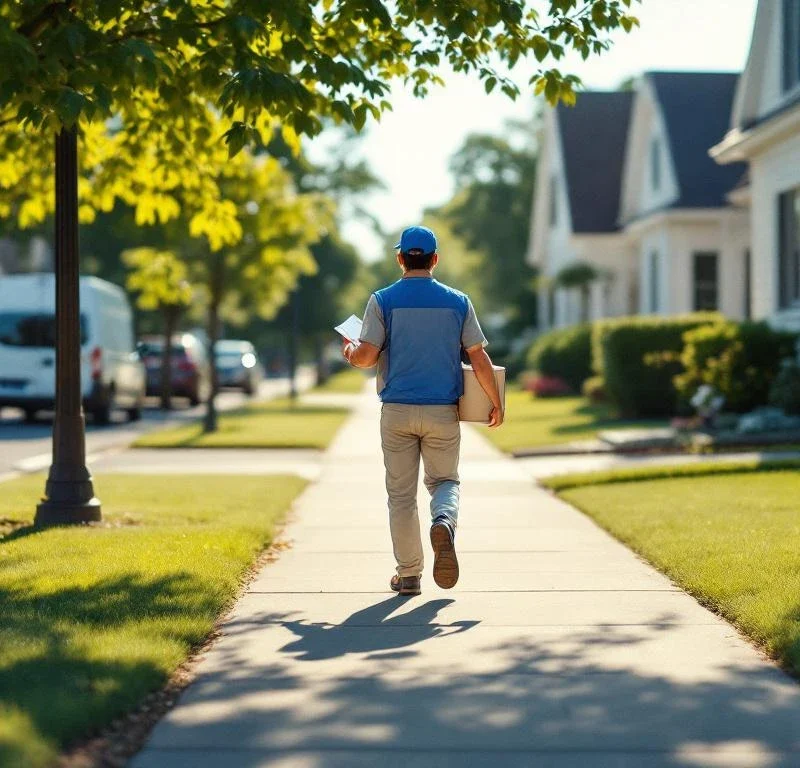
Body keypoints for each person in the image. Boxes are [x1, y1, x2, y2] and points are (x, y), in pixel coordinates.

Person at [342, 225, 504, 596]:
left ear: (400, 259)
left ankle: (409, 575)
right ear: (435, 259)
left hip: (396, 412)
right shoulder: (458, 301)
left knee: (401, 496)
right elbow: (477, 356)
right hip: (442, 413)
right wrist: (495, 401)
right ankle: (444, 521)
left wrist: (351, 352)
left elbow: (366, 356)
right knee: (445, 482)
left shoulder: (382, 300)